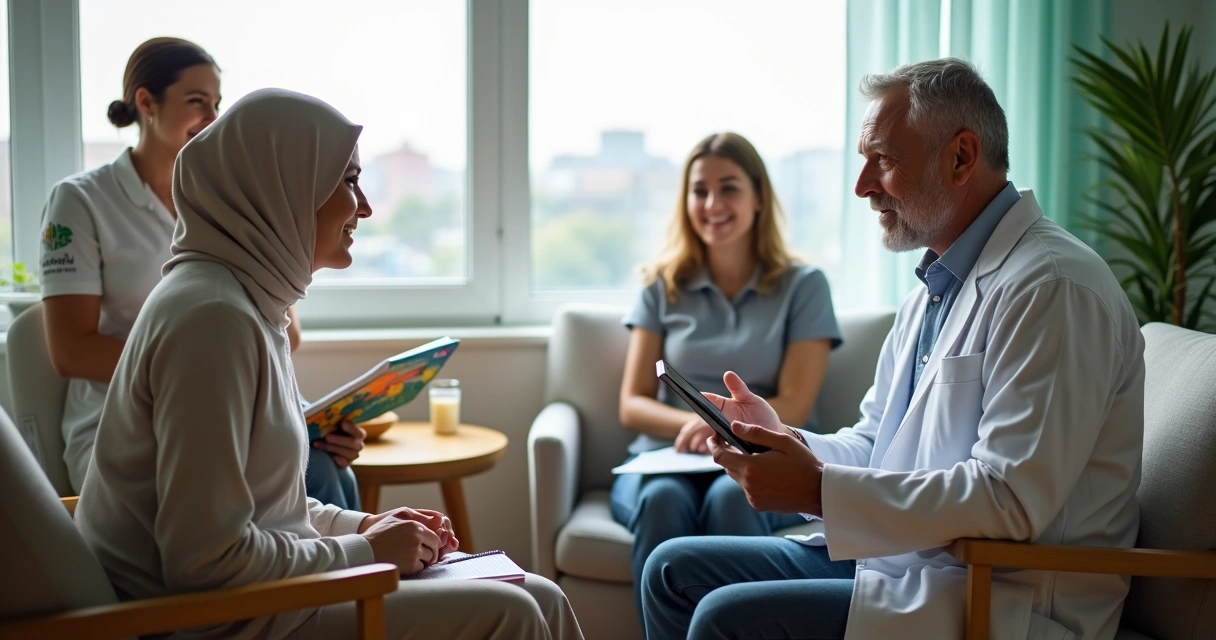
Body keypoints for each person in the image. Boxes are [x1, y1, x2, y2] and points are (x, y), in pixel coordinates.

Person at [640, 58, 1145, 640]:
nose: (862, 186)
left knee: (721, 618)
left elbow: (1010, 501)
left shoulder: (1053, 287)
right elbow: (876, 442)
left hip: (999, 598)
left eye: (882, 159)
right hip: (904, 563)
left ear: (961, 157)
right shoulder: (933, 289)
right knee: (670, 570)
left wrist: (817, 489)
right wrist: (787, 442)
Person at [75, 88, 583, 640]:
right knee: (514, 612)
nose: (364, 206)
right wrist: (366, 550)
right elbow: (205, 563)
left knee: (543, 595)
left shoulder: (245, 303)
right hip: (210, 624)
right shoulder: (212, 321)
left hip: (261, 599)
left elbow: (271, 514)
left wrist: (367, 524)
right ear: (282, 189)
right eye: (346, 181)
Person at [37, 37, 362, 508]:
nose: (212, 119)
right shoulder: (81, 201)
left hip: (221, 404)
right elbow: (70, 351)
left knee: (330, 465)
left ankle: (362, 573)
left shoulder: (234, 202)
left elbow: (283, 335)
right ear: (146, 102)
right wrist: (191, 367)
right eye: (196, 102)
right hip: (124, 427)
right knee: (317, 477)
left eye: (216, 104)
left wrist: (299, 424)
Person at [614, 132, 840, 612]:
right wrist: (696, 427)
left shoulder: (805, 286)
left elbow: (796, 403)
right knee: (662, 502)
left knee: (732, 499)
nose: (712, 203)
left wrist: (722, 428)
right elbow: (631, 402)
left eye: (730, 188)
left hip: (761, 455)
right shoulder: (661, 286)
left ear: (759, 197)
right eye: (699, 190)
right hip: (667, 459)